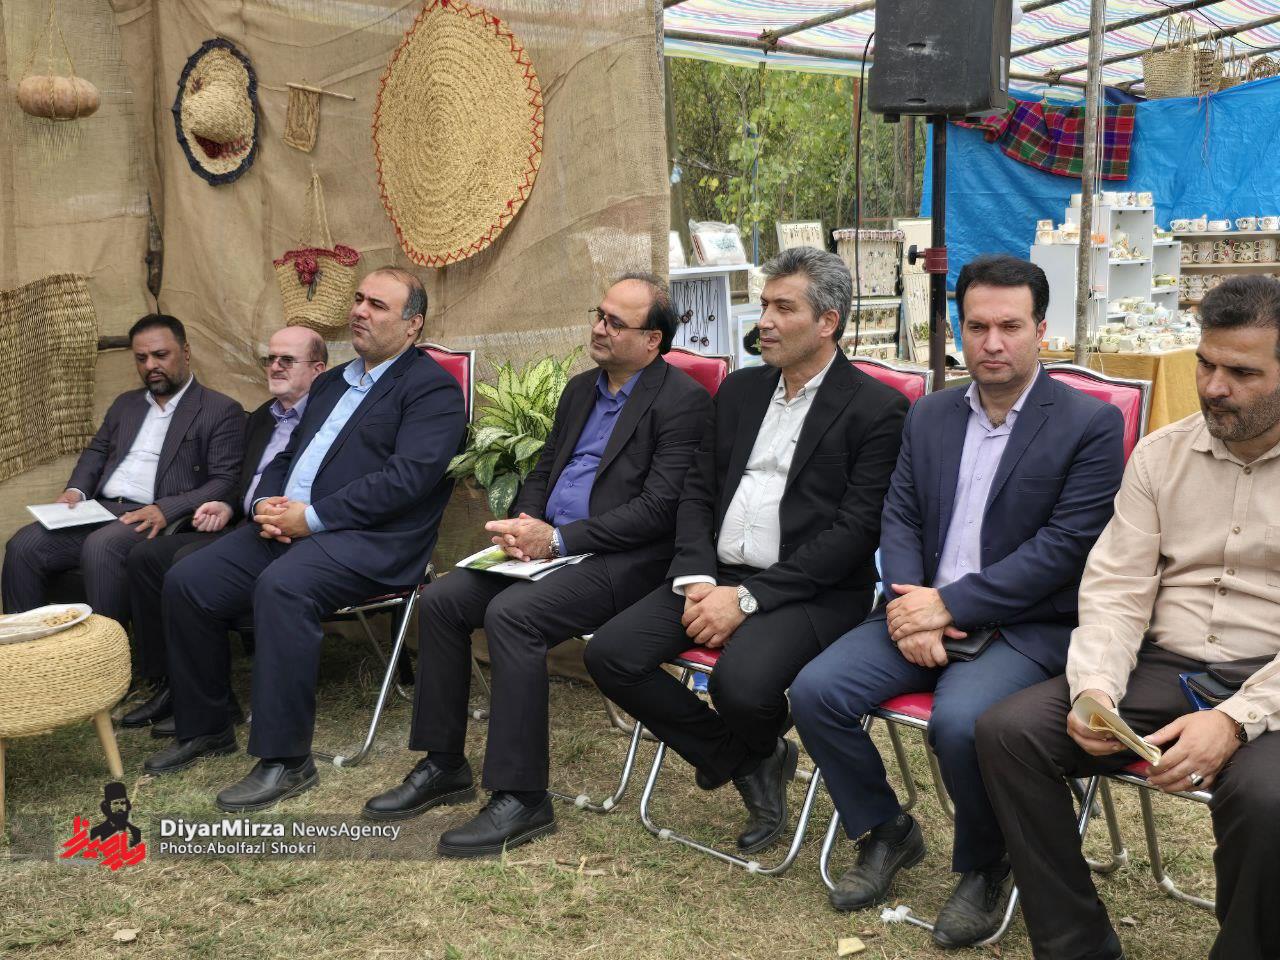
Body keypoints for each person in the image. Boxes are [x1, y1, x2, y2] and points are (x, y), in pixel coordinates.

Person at [789, 255, 1125, 948]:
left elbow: (1065, 547)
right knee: (815, 692)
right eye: (977, 327)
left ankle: (985, 864)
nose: (992, 343)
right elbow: (900, 514)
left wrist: (948, 607)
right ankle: (885, 830)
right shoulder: (932, 413)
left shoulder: (1088, 425)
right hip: (920, 606)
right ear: (957, 329)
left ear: (1041, 330)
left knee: (962, 724)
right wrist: (911, 605)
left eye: (1010, 326)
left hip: (1023, 625)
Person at [977, 275, 1280, 960]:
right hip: (1169, 665)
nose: (1213, 387)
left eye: (1241, 373)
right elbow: (1116, 589)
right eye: (1205, 363)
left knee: (1266, 798)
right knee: (1009, 732)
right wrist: (1095, 690)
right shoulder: (1161, 454)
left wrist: (1235, 720)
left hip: (1271, 680)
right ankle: (1075, 944)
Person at [362, 272, 711, 858]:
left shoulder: (683, 402)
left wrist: (560, 539)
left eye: (615, 322)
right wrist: (523, 524)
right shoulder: (580, 390)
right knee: (442, 600)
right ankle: (444, 763)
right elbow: (545, 469)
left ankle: (523, 797)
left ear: (653, 340)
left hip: (626, 561)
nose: (599, 328)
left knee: (513, 616)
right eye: (598, 314)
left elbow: (660, 510)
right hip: (551, 551)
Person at [587, 246, 908, 854]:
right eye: (763, 306)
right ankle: (749, 759)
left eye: (783, 308)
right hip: (716, 573)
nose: (764, 321)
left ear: (827, 322)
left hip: (810, 590)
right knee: (611, 654)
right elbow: (697, 492)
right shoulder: (739, 391)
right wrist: (696, 576)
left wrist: (748, 599)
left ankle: (750, 750)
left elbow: (854, 534)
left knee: (739, 686)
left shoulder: (876, 409)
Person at [143, 268, 467, 814]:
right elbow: (290, 453)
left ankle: (286, 760)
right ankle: (207, 726)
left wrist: (311, 518)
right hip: (289, 526)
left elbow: (407, 481)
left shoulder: (431, 388)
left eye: (378, 305)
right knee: (187, 579)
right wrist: (264, 504)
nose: (359, 310)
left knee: (283, 587)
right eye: (359, 299)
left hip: (372, 540)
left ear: (412, 325)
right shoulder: (333, 381)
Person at [120, 326, 327, 730]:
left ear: (318, 370)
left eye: (287, 360)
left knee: (185, 562)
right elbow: (243, 479)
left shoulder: (326, 419)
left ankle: (209, 699)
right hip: (245, 524)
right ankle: (170, 682)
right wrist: (225, 504)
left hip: (289, 533)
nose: (275, 366)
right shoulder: (263, 417)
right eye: (270, 359)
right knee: (145, 556)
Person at [2, 314, 244, 624]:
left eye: (160, 355)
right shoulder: (126, 404)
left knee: (102, 546)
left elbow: (225, 480)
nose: (150, 365)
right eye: (141, 358)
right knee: (23, 544)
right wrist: (75, 491)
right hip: (98, 509)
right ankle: (28, 645)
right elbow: (97, 452)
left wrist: (166, 509)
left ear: (185, 352)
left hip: (153, 515)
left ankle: (108, 649)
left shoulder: (220, 409)